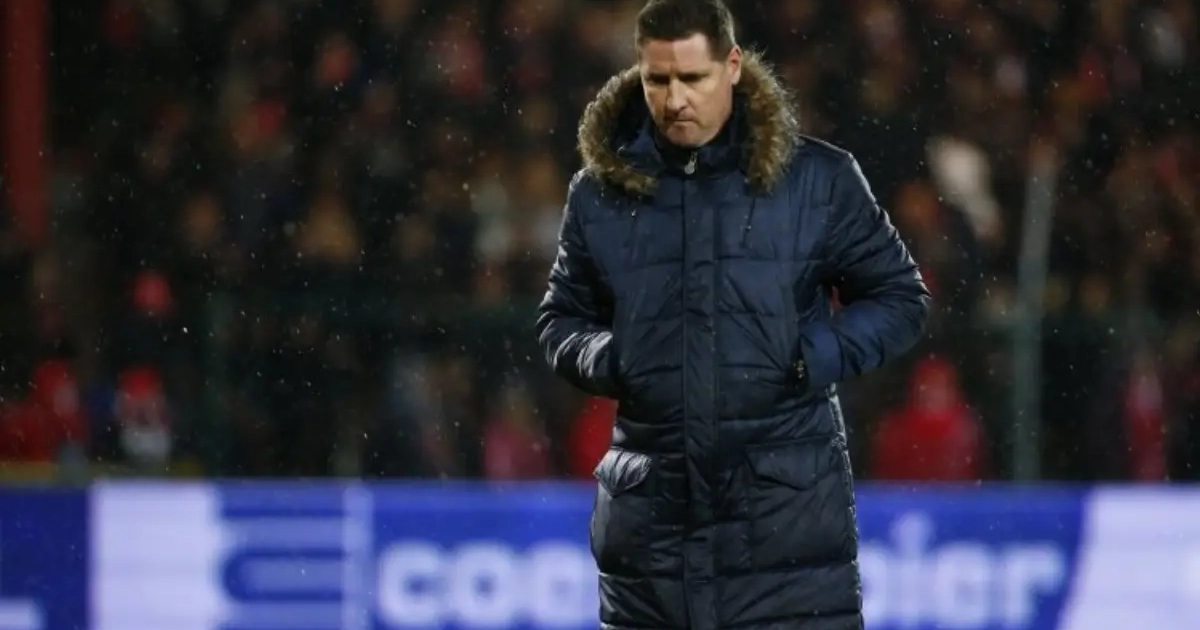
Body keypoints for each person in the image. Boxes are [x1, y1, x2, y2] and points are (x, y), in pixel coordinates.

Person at [535, 1, 931, 628]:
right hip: (652, 559)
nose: (674, 100)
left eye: (692, 78)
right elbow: (561, 321)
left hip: (789, 551)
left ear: (733, 66)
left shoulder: (817, 180)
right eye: (658, 80)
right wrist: (613, 359)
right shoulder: (598, 195)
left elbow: (901, 298)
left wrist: (808, 357)